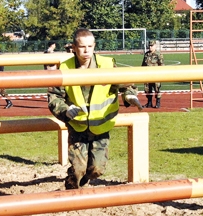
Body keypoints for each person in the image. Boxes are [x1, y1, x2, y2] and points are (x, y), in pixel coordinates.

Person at [48, 28, 141, 190]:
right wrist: (65, 110)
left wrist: (130, 96)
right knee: (78, 170)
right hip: (78, 127)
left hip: (101, 127)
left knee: (96, 169)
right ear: (74, 48)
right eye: (82, 47)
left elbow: (126, 84)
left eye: (90, 46)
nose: (86, 51)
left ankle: (81, 183)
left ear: (94, 46)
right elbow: (54, 97)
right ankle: (72, 188)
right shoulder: (65, 68)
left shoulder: (106, 65)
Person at [141, 39, 164, 108]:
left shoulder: (158, 54)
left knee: (157, 89)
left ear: (155, 46)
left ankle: (158, 103)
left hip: (156, 75)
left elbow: (161, 65)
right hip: (147, 75)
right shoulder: (146, 54)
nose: (150, 47)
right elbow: (143, 65)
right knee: (148, 89)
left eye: (152, 46)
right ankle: (149, 103)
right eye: (149, 46)